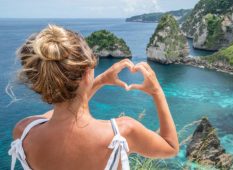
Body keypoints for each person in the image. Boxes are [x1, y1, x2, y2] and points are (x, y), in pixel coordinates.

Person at [8, 25, 179, 170]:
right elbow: (171, 146)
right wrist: (157, 92)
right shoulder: (122, 133)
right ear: (87, 73)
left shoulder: (23, 131)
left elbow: (61, 114)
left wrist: (99, 81)